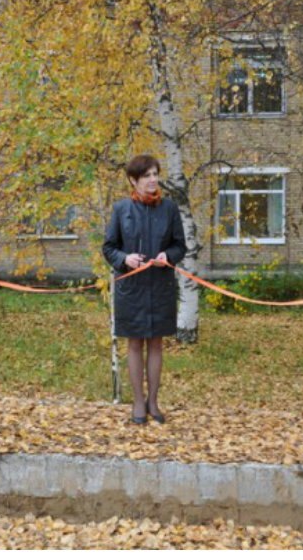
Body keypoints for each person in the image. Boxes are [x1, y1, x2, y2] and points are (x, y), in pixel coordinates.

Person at [102, 154, 186, 425]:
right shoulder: (121, 209)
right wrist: (124, 259)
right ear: (133, 180)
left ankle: (153, 401)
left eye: (155, 174)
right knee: (135, 344)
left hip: (160, 287)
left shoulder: (169, 209)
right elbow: (109, 247)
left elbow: (180, 246)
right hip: (132, 288)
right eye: (147, 176)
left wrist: (167, 256)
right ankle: (138, 402)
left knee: (157, 343)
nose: (153, 180)